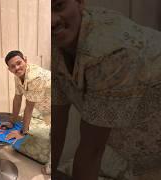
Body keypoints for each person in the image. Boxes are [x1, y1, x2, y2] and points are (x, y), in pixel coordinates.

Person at [52, 0, 161, 179]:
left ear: (79, 2)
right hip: (137, 138)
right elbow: (55, 131)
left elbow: (92, 150)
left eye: (58, 6)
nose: (51, 20)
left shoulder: (112, 51)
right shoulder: (54, 47)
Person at [2, 50, 51, 175]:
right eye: (13, 66)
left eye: (19, 63)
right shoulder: (17, 76)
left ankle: (51, 165)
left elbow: (29, 107)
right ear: (9, 69)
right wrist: (12, 121)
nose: (17, 68)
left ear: (25, 60)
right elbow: (17, 99)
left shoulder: (36, 77)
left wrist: (23, 132)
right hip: (45, 108)